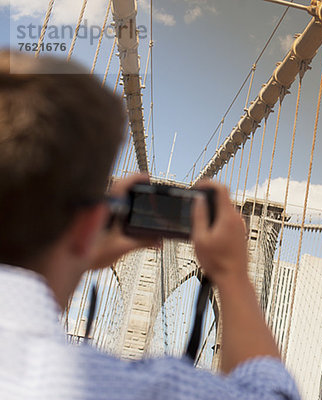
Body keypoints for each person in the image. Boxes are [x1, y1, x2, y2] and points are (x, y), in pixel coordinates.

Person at [0, 50, 300, 400]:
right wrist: (233, 275)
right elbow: (272, 393)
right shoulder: (122, 386)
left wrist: (81, 244)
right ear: (87, 227)